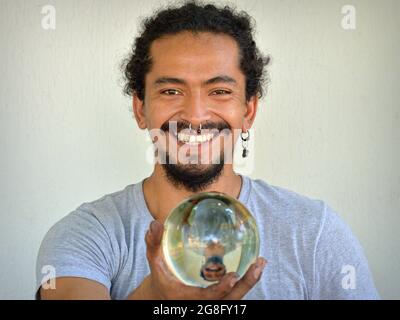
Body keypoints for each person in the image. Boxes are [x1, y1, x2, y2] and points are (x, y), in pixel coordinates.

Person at [36, 1, 379, 299]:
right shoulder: (85, 234)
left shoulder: (314, 232)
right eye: (171, 91)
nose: (196, 116)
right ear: (141, 109)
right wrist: (157, 295)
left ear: (249, 111)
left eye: (219, 91)